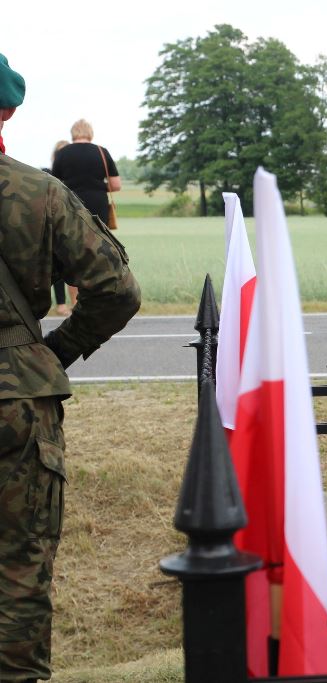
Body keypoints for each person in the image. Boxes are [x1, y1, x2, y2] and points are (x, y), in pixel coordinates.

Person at [0, 53, 141, 682]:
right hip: (14, 397)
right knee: (19, 569)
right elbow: (117, 289)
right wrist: (53, 352)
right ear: (7, 110)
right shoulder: (37, 193)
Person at [51, 119, 121, 313]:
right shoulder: (101, 151)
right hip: (98, 207)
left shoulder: (63, 153)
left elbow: (54, 184)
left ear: (73, 133)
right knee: (100, 254)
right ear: (90, 132)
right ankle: (101, 300)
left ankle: (74, 303)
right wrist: (97, 187)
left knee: (71, 255)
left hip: (71, 206)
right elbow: (116, 185)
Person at [43, 140, 71, 315]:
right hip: (51, 224)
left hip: (66, 222)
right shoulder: (47, 176)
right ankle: (60, 303)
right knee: (56, 263)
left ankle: (74, 302)